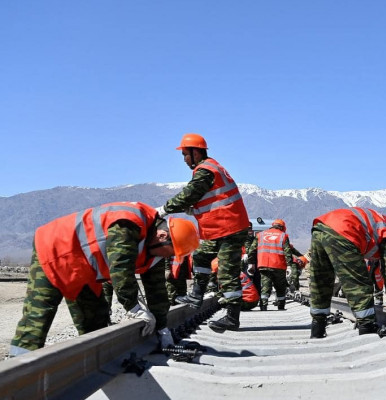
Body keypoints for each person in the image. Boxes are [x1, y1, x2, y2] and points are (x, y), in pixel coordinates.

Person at [9, 205, 199, 355]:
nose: (167, 258)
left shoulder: (156, 248)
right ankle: (15, 375)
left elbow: (156, 290)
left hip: (84, 269)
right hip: (53, 252)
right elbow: (120, 271)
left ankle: (92, 366)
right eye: (170, 252)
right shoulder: (128, 224)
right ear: (162, 236)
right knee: (37, 320)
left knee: (95, 322)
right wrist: (134, 308)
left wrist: (162, 328)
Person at [157, 133, 252, 333]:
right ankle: (197, 295)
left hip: (229, 228)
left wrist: (163, 210)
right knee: (200, 255)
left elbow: (189, 194)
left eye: (185, 154)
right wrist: (195, 208)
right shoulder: (210, 169)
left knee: (227, 272)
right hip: (219, 228)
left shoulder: (205, 170)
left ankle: (232, 318)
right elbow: (207, 198)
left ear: (196, 152)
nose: (184, 159)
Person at [308, 208, 386, 338]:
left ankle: (317, 329)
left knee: (321, 281)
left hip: (320, 227)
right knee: (359, 285)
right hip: (345, 230)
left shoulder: (381, 224)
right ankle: (367, 329)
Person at [246, 219, 302, 311]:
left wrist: (251, 263)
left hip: (263, 265)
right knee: (280, 287)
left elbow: (252, 250)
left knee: (265, 287)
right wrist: (289, 266)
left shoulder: (261, 235)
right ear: (282, 227)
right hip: (278, 266)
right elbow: (287, 252)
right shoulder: (283, 236)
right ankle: (281, 306)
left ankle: (263, 306)